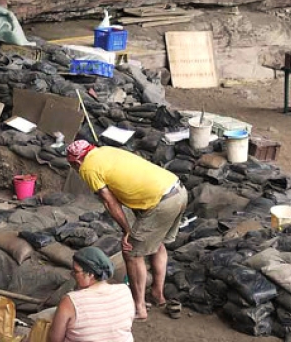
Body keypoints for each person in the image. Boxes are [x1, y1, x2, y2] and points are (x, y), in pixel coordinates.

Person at [65, 140, 187, 321]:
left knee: (131, 251)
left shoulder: (87, 168)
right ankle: (157, 294)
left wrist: (127, 231)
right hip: (178, 190)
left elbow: (109, 202)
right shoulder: (104, 150)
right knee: (156, 242)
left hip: (161, 202)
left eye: (72, 166)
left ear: (76, 162)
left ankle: (139, 308)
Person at [48, 246, 135, 342]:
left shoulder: (70, 301)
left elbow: (55, 340)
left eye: (76, 271)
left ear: (90, 274)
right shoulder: (124, 290)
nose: (72, 274)